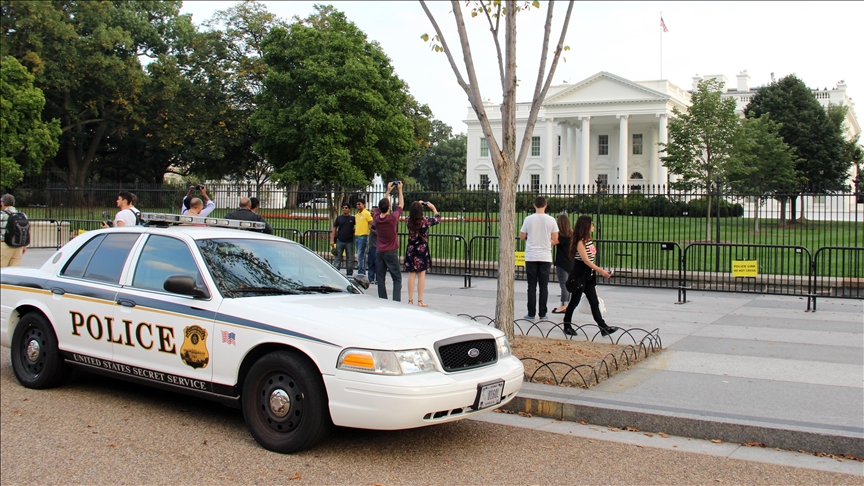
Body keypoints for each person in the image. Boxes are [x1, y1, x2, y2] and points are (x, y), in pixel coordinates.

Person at [562, 215, 617, 337]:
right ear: (586, 226)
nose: (593, 226)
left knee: (594, 302)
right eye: (591, 224)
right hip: (580, 275)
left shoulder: (588, 240)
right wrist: (601, 271)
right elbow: (586, 261)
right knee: (574, 302)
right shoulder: (579, 242)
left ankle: (603, 327)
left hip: (588, 276)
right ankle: (566, 325)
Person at [519, 196, 558, 320]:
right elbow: (556, 239)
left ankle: (531, 313)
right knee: (544, 286)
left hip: (531, 255)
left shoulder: (528, 219)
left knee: (531, 286)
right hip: (545, 255)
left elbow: (522, 235)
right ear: (545, 205)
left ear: (534, 205)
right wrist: (547, 242)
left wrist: (530, 237)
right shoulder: (551, 220)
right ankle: (543, 313)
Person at [404, 200, 441, 306]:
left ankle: (410, 300)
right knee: (421, 274)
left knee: (411, 274)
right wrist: (433, 208)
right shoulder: (425, 221)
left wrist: (416, 204)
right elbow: (438, 219)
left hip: (411, 248)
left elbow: (410, 215)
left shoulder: (408, 220)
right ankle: (420, 300)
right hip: (422, 249)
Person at [374, 181, 404, 301]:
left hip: (379, 250)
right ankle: (396, 301)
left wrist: (388, 191)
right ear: (389, 207)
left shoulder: (376, 218)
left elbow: (379, 206)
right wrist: (400, 190)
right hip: (391, 251)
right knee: (396, 278)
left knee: (380, 278)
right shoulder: (392, 219)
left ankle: (383, 299)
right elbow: (401, 205)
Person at [551, 213, 574, 314]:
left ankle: (564, 305)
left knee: (563, 285)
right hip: (571, 262)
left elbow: (552, 242)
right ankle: (567, 303)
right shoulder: (572, 235)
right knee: (567, 284)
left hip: (561, 262)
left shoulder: (561, 236)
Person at [0, 194, 27, 268]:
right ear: (13, 203)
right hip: (18, 246)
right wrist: (24, 246)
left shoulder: (2, 215)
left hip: (4, 245)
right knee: (13, 271)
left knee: (2, 269)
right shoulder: (22, 215)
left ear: (2, 203)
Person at [330, 203, 355, 276]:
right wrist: (332, 240)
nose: (344, 209)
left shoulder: (352, 219)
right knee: (337, 258)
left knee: (350, 258)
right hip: (340, 240)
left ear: (349, 209)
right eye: (343, 208)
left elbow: (356, 228)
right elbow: (334, 229)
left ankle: (349, 273)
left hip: (349, 241)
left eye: (346, 208)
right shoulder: (339, 218)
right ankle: (336, 273)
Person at [354, 198, 373, 277]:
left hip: (363, 236)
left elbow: (371, 223)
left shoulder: (367, 213)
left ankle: (361, 271)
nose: (358, 206)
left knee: (360, 255)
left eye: (359, 204)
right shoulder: (357, 215)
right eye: (357, 204)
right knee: (360, 254)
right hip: (357, 236)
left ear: (364, 204)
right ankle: (362, 270)